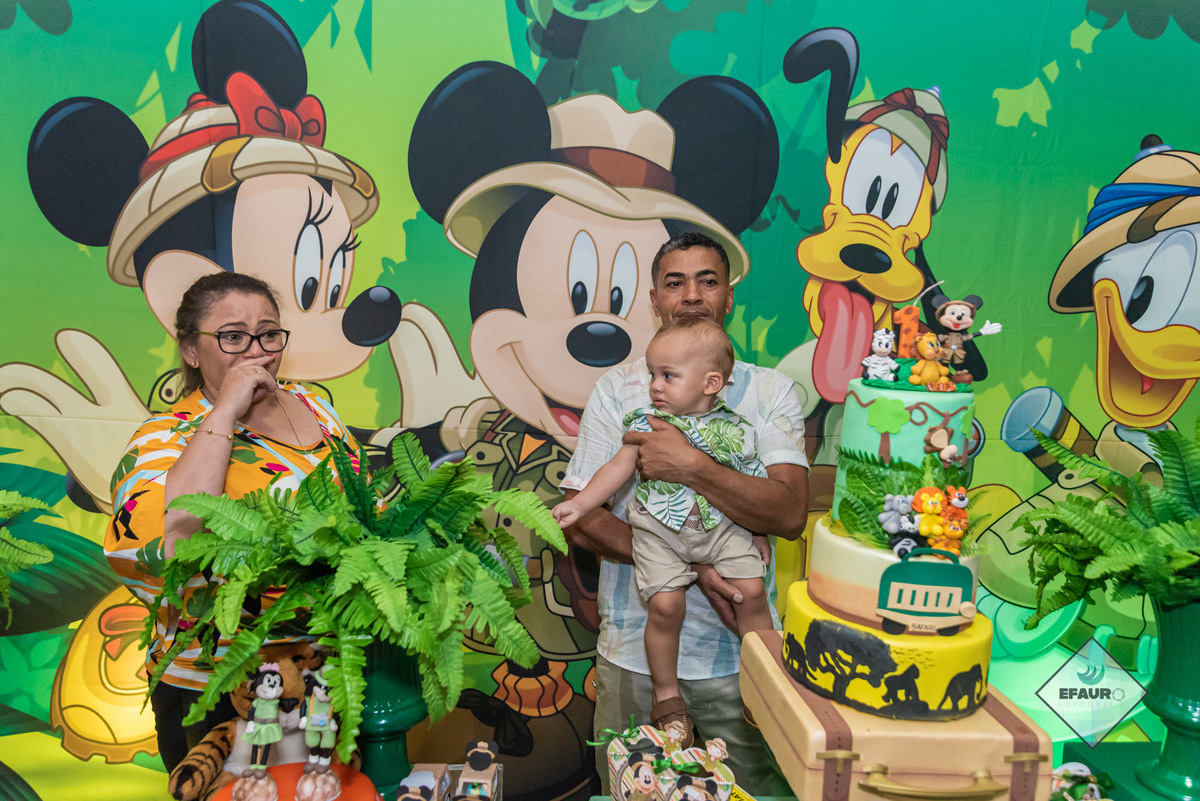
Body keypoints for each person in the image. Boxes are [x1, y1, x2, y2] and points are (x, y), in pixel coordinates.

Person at [560, 231, 808, 795]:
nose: (692, 294)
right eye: (675, 282)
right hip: (635, 655)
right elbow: (585, 517)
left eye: (708, 280)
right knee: (632, 789)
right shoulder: (619, 390)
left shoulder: (770, 392)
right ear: (654, 300)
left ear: (729, 296)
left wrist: (691, 465)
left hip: (738, 663)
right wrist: (694, 566)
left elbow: (790, 513)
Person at [104, 272, 363, 772]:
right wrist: (224, 411)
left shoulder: (316, 407)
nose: (256, 351)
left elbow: (365, 515)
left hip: (328, 674)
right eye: (232, 337)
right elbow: (165, 548)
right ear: (190, 350)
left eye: (268, 334)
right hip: (219, 690)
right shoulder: (164, 437)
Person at [553, 319, 774, 746]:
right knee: (666, 605)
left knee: (750, 592)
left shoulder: (736, 428)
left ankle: (764, 684)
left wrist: (758, 531)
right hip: (659, 532)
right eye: (653, 374)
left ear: (711, 383)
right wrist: (581, 504)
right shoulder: (647, 422)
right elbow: (616, 468)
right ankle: (666, 695)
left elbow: (752, 483)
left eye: (668, 376)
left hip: (720, 528)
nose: (655, 385)